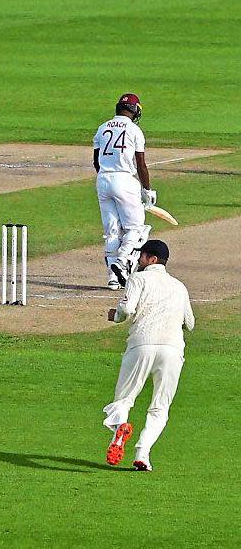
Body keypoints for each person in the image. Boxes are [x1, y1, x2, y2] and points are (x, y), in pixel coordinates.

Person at [103, 239, 194, 471]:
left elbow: (126, 310)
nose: (139, 260)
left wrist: (115, 316)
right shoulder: (179, 286)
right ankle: (143, 455)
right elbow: (190, 324)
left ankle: (120, 428)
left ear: (151, 259)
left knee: (123, 400)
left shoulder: (138, 278)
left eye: (142, 256)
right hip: (172, 350)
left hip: (141, 345)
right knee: (160, 407)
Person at [92, 93, 156, 290]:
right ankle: (122, 262)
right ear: (135, 110)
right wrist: (147, 189)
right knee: (136, 229)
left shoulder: (102, 128)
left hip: (102, 179)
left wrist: (106, 179)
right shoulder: (134, 130)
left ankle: (113, 278)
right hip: (125, 180)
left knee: (111, 232)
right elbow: (141, 165)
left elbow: (96, 161)